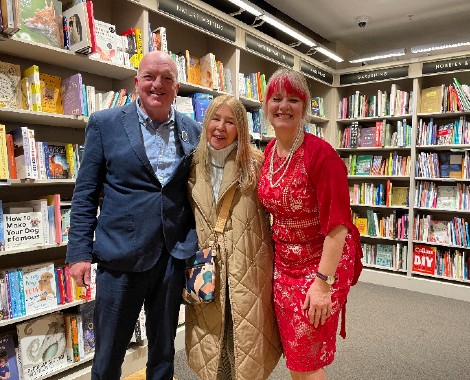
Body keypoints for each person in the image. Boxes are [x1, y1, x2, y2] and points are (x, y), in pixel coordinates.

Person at [66, 50, 201, 380]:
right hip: (120, 257)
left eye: (167, 78)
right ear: (136, 81)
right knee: (109, 353)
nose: (158, 84)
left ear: (177, 87)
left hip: (172, 257)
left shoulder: (192, 130)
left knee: (164, 350)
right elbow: (85, 194)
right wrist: (79, 253)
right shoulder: (105, 124)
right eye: (150, 77)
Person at [257, 68, 362, 380]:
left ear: (305, 107)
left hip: (322, 265)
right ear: (266, 105)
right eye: (276, 98)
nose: (283, 106)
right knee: (296, 355)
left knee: (307, 357)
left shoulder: (322, 156)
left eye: (293, 99)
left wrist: (322, 284)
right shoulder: (269, 153)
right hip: (285, 265)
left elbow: (339, 226)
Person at [185, 95, 282, 379]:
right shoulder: (193, 165)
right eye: (215, 119)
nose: (220, 127)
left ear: (240, 127)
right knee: (212, 342)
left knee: (243, 345)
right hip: (207, 267)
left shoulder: (257, 165)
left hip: (247, 269)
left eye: (230, 121)